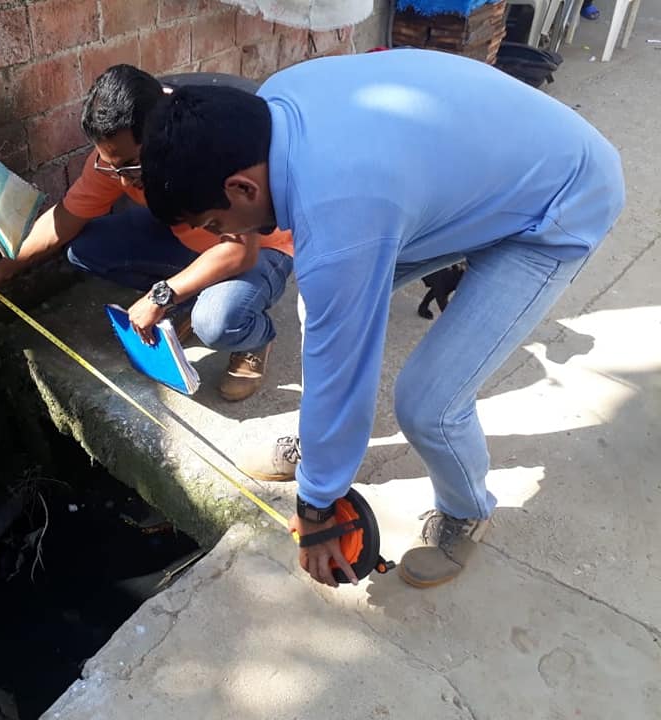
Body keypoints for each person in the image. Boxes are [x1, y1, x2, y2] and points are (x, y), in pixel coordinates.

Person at [140, 50, 624, 589]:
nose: (226, 237)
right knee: (321, 301)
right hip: (485, 174)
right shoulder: (275, 102)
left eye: (215, 223)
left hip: (560, 202)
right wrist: (323, 466)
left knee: (429, 402)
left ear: (242, 188)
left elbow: (342, 362)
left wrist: (317, 507)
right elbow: (336, 331)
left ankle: (466, 510)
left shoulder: (341, 215)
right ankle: (319, 447)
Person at [0, 65, 294, 401]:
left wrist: (160, 296)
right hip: (190, 241)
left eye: (131, 166)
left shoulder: (204, 145)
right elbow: (65, 218)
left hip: (261, 247)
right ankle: (192, 294)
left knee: (216, 321)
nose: (123, 180)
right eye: (113, 167)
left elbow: (240, 251)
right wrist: (10, 264)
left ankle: (254, 338)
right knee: (86, 248)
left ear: (160, 135)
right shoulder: (119, 155)